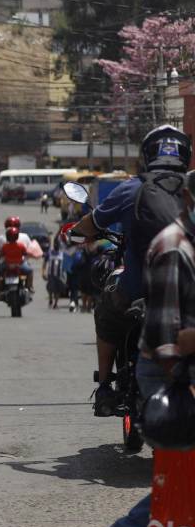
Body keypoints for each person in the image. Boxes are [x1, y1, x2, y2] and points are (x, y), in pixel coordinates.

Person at [97, 170, 195, 527]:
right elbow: (168, 335)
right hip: (175, 372)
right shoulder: (175, 248)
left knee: (188, 476)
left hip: (181, 368)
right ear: (187, 198)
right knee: (186, 475)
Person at [71, 124, 192, 415]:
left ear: (147, 155)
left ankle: (104, 386)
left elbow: (91, 224)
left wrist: (77, 230)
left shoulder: (131, 188)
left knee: (106, 314)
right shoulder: (192, 190)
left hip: (135, 290)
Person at [0, 227, 34, 292]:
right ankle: (29, 286)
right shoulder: (21, 245)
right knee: (30, 271)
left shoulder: (5, 246)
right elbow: (25, 253)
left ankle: (0, 287)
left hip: (7, 265)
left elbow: (1, 254)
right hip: (19, 265)